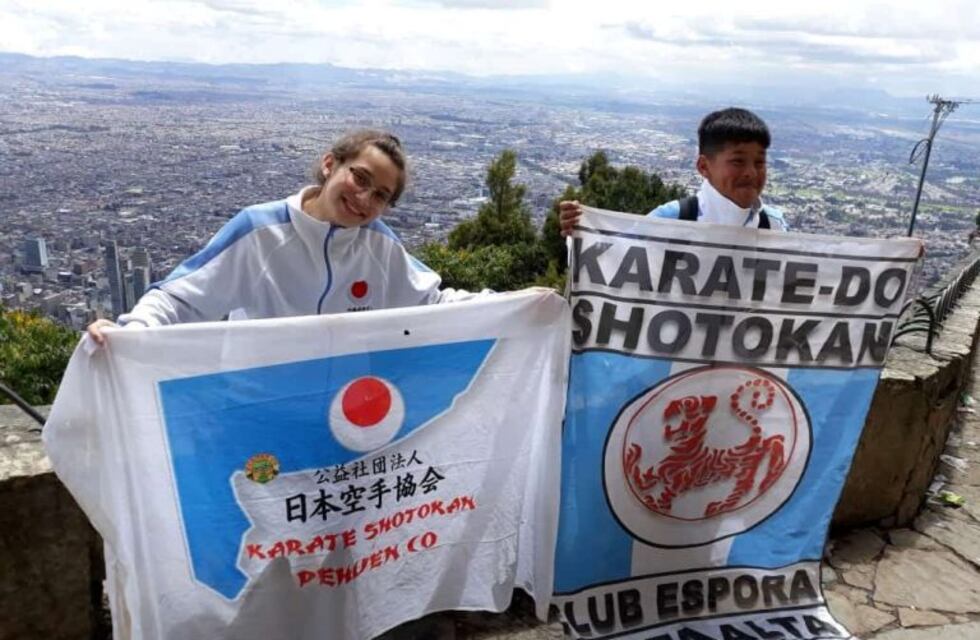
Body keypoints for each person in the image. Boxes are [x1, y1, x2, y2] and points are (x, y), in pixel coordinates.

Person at [88, 129, 473, 344]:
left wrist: (522, 304)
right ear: (329, 165)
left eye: (381, 196)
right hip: (255, 405)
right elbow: (181, 298)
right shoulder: (259, 230)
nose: (364, 198)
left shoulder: (381, 245)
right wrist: (127, 335)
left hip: (343, 414)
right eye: (360, 178)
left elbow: (435, 301)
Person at [559, 107, 788, 234]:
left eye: (759, 163)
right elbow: (611, 262)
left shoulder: (774, 226)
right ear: (703, 166)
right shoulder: (672, 219)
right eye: (738, 162)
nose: (751, 172)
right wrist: (581, 232)